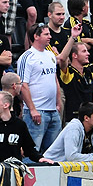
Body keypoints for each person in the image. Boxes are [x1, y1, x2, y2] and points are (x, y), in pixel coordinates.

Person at [0, 90, 49, 164]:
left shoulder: (19, 125)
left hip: (14, 170)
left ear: (6, 105)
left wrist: (40, 158)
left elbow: (29, 148)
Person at [18, 23, 61, 153]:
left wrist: (58, 103)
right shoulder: (27, 57)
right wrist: (32, 109)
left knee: (53, 153)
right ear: (36, 36)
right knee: (32, 151)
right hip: (37, 111)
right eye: (46, 34)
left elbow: (55, 80)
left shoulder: (51, 55)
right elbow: (23, 85)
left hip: (53, 111)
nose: (50, 36)